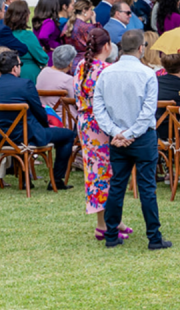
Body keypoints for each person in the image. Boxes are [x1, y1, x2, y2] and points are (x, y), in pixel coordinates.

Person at [93, 30, 170, 249]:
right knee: (146, 188)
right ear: (141, 48)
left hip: (118, 136)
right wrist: (127, 133)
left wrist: (116, 132)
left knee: (117, 185)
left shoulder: (107, 73)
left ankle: (110, 235)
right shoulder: (147, 74)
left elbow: (98, 108)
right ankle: (154, 237)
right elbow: (147, 113)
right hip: (142, 136)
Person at [0, 48, 76, 187]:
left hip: (2, 138)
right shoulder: (25, 84)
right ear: (14, 68)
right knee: (68, 135)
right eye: (20, 65)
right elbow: (39, 112)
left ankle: (25, 180)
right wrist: (45, 127)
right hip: (25, 136)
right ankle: (57, 180)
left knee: (25, 129)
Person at [76, 29, 124, 238]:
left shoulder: (80, 66)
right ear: (106, 46)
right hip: (102, 125)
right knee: (105, 174)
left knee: (96, 172)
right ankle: (104, 225)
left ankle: (112, 220)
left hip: (86, 124)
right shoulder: (106, 69)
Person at [5, 0, 47, 81]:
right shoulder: (27, 35)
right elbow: (42, 59)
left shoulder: (5, 34)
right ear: (25, 16)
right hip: (27, 75)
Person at [38, 44, 80, 116]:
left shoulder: (43, 72)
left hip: (43, 117)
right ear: (70, 64)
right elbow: (77, 101)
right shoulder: (67, 80)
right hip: (62, 120)